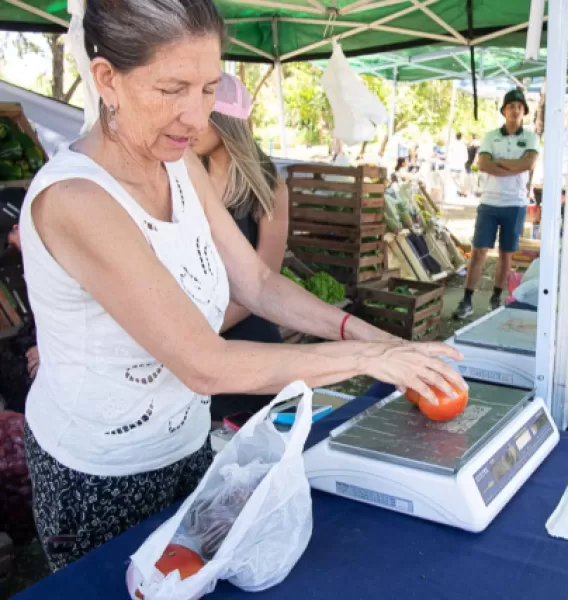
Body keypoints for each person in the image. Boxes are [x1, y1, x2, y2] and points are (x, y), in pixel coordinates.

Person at [21, 0, 465, 572]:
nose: (196, 117)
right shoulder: (77, 199)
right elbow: (204, 363)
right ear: (107, 78)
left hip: (184, 443)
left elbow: (256, 280)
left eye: (209, 88)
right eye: (172, 88)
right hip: (101, 473)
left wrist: (373, 335)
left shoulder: (175, 165)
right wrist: (369, 358)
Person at [190, 74, 289, 421]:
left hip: (246, 345)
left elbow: (265, 278)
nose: (190, 124)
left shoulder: (268, 187)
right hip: (193, 346)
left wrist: (202, 332)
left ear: (226, 121)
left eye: (201, 114)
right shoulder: (181, 176)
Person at [454, 89, 540, 319]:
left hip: (516, 204)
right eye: (511, 106)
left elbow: (529, 163)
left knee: (506, 254)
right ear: (504, 110)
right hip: (489, 202)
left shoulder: (531, 137)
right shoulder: (490, 136)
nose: (516, 110)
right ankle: (467, 300)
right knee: (479, 251)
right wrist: (514, 164)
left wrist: (499, 163)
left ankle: (496, 298)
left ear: (524, 112)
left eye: (520, 107)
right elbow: (483, 164)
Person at [0, 188, 38, 413]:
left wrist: (48, 349)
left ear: (18, 227)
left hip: (79, 347)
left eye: (10, 240)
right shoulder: (35, 254)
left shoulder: (62, 252)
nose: (12, 247)